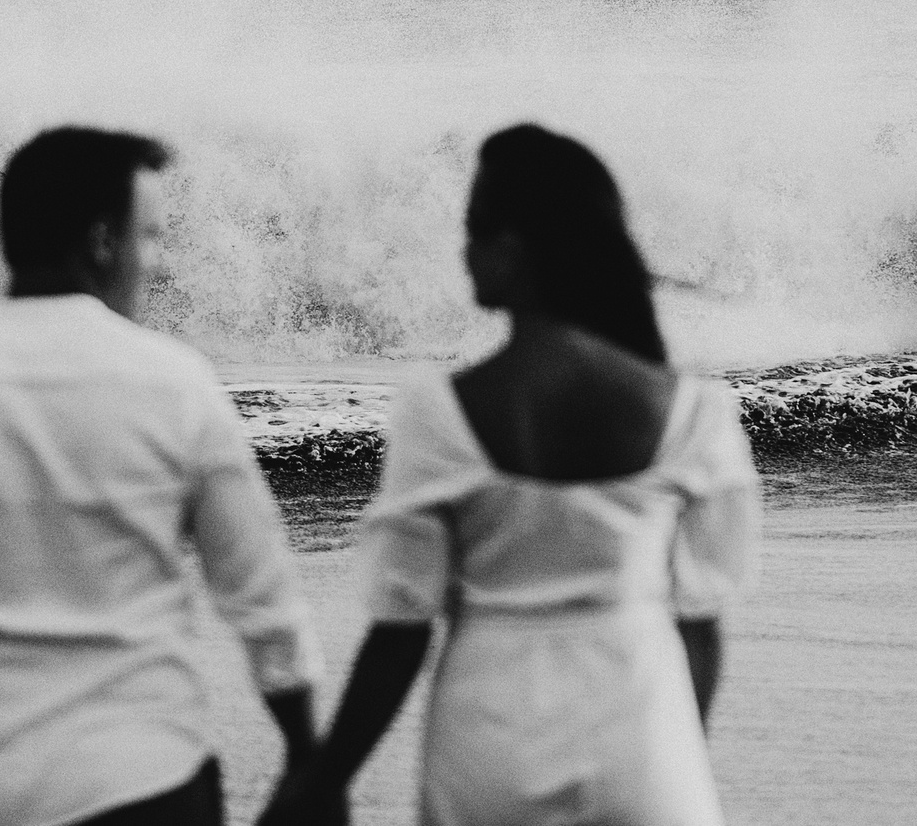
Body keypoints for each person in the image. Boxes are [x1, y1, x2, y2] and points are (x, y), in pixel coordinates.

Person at [0, 127, 324, 826]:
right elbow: (262, 596)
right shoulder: (174, 384)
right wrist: (303, 753)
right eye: (154, 236)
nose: (162, 265)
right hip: (151, 783)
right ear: (104, 241)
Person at [264, 125, 761, 826]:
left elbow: (402, 629)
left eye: (475, 227)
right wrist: (675, 752)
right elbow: (701, 626)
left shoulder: (439, 411)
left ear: (519, 248)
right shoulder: (692, 411)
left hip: (491, 739)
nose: (464, 247)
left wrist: (326, 775)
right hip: (642, 738)